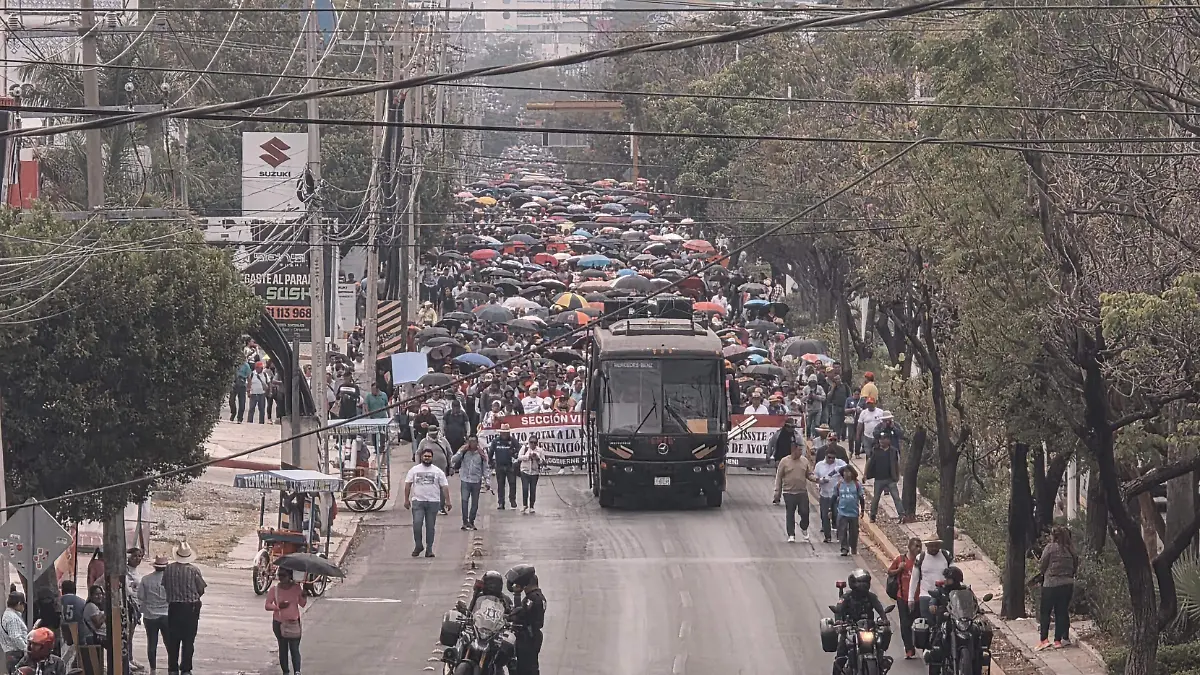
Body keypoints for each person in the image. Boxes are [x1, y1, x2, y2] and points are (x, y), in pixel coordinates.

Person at [831, 569, 889, 675]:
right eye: (860, 582)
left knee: (880, 645)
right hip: (850, 628)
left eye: (865, 582)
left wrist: (884, 619)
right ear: (853, 583)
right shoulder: (847, 597)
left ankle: (880, 664)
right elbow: (839, 609)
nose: (863, 585)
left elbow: (879, 607)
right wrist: (839, 621)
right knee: (841, 656)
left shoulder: (871, 596)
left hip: (868, 628)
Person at [163, 540, 206, 675]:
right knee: (188, 641)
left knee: (173, 640)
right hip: (190, 609)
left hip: (174, 607)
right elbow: (201, 589)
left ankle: (172, 669)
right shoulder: (194, 570)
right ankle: (186, 669)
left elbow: (164, 585)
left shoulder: (168, 569)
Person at [1035, 526, 1079, 650]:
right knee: (1061, 612)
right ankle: (1058, 640)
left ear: (1054, 536)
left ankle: (1044, 639)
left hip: (1051, 584)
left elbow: (1042, 565)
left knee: (1045, 612)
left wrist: (1045, 573)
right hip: (1067, 585)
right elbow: (1075, 567)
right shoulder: (1071, 550)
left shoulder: (1050, 548)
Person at [405, 448, 452, 558]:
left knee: (430, 527)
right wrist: (406, 499)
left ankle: (429, 549)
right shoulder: (414, 470)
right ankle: (418, 545)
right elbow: (408, 484)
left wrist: (448, 501)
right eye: (425, 456)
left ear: (432, 458)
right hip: (418, 502)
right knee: (417, 524)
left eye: (429, 456)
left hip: (433, 502)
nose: (427, 458)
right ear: (421, 457)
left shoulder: (437, 471)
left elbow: (444, 486)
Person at [265, 568, 307, 675]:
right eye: (279, 575)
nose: (281, 578)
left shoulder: (297, 588)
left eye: (283, 575)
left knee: (294, 648)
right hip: (279, 623)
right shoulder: (274, 590)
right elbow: (267, 605)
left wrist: (304, 596)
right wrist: (278, 607)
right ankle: (286, 671)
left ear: (289, 576)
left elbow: (302, 604)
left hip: (294, 623)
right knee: (283, 648)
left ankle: (297, 671)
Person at [505, 565, 546, 675]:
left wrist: (517, 594)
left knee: (525, 668)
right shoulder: (538, 596)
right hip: (531, 636)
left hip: (528, 637)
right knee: (529, 666)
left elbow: (519, 613)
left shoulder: (532, 598)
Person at [772, 441, 816, 542]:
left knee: (805, 512)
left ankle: (804, 527)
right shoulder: (784, 461)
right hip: (789, 492)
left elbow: (809, 474)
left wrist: (816, 479)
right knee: (790, 513)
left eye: (801, 450)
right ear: (793, 449)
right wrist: (777, 492)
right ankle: (791, 534)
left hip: (802, 492)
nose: (801, 452)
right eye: (799, 450)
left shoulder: (804, 461)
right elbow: (779, 477)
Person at [887, 538, 921, 659]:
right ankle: (909, 649)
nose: (919, 549)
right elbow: (890, 572)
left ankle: (920, 644)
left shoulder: (921, 561)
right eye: (916, 546)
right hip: (902, 597)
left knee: (919, 623)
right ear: (910, 547)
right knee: (905, 624)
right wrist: (899, 569)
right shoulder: (900, 560)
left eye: (920, 546)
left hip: (918, 598)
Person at [138, 556, 170, 675]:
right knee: (169, 642)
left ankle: (153, 669)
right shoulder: (170, 580)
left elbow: (140, 596)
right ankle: (172, 666)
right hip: (166, 614)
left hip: (150, 615)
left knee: (152, 642)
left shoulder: (146, 579)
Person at [908, 539, 952, 622]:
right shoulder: (920, 558)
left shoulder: (946, 555)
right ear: (927, 546)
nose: (934, 548)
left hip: (943, 596)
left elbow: (954, 572)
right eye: (931, 546)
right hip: (926, 596)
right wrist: (911, 598)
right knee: (927, 624)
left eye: (936, 546)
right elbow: (914, 579)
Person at [452, 436, 490, 530]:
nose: (472, 444)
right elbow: (453, 460)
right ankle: (465, 521)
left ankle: (471, 521)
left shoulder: (481, 453)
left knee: (475, 503)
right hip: (465, 479)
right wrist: (461, 452)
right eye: (470, 441)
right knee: (464, 501)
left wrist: (487, 480)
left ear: (477, 442)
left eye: (474, 441)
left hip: (476, 480)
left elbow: (485, 467)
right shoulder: (464, 451)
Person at [865, 435, 904, 522]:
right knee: (876, 498)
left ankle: (901, 515)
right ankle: (873, 515)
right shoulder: (875, 450)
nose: (881, 441)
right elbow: (869, 462)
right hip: (879, 479)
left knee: (896, 497)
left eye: (884, 439)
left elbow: (897, 463)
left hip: (891, 479)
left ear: (888, 440)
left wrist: (898, 475)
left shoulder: (893, 451)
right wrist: (865, 474)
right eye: (880, 439)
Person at [814, 447, 847, 544]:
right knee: (825, 516)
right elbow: (815, 477)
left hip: (836, 495)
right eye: (829, 457)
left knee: (838, 516)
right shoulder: (819, 465)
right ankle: (827, 536)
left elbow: (848, 469)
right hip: (825, 494)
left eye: (833, 458)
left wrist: (840, 475)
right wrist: (821, 481)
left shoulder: (839, 463)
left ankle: (839, 536)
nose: (831, 460)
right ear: (826, 456)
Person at [835, 465, 865, 556]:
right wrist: (830, 509)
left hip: (853, 512)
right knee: (842, 530)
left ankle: (853, 547)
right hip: (842, 512)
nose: (846, 474)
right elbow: (834, 497)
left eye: (848, 472)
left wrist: (862, 510)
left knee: (854, 532)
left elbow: (861, 498)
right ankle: (844, 548)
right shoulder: (839, 484)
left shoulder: (856, 484)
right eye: (845, 472)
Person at [489, 424, 520, 510]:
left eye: (506, 433)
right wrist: (490, 462)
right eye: (503, 433)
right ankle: (501, 503)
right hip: (499, 466)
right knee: (500, 485)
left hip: (510, 466)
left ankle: (512, 500)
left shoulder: (513, 441)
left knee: (512, 484)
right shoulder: (496, 441)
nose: (505, 434)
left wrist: (514, 454)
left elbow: (519, 451)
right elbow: (491, 452)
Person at [1, 590, 28, 674]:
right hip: (16, 654)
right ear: (19, 603)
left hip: (12, 654)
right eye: (23, 605)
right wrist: (26, 650)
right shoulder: (12, 618)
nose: (23, 608)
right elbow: (15, 637)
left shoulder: (8, 615)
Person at [518, 436, 544, 514]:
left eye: (535, 443)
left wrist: (537, 458)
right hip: (525, 471)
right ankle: (524, 504)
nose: (533, 444)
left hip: (534, 472)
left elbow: (543, 461)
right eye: (531, 442)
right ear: (529, 442)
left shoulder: (540, 450)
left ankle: (532, 506)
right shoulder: (524, 448)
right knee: (525, 488)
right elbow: (519, 457)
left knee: (533, 489)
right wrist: (527, 456)